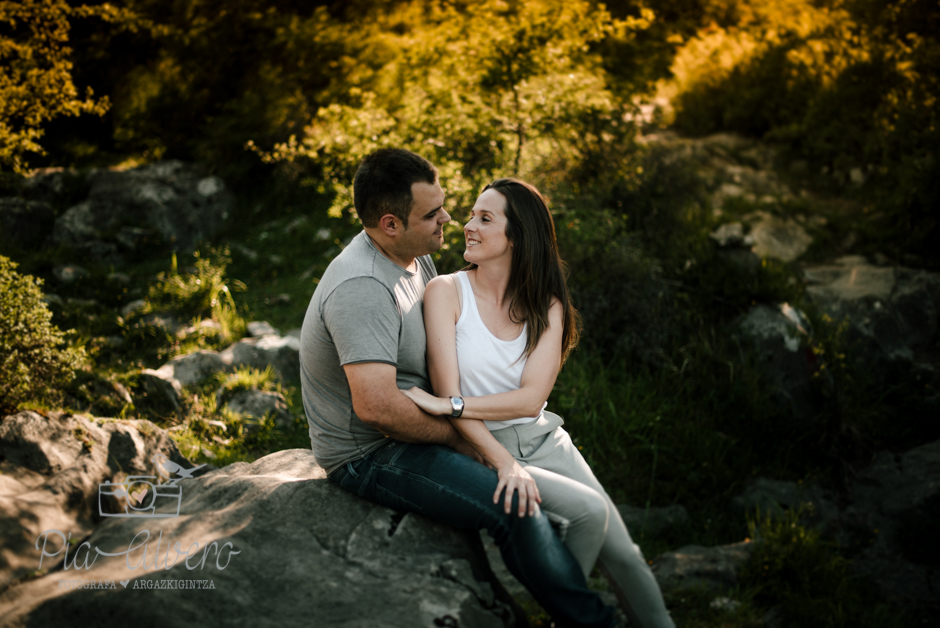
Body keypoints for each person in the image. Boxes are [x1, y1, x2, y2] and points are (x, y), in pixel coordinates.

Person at [299, 148, 620, 628]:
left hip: (425, 423)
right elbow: (377, 409)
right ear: (390, 224)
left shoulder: (414, 258)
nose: (448, 219)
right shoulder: (362, 287)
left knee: (562, 503)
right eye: (433, 214)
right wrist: (468, 444)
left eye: (444, 205)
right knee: (516, 507)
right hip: (371, 453)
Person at [401, 178, 675, 628]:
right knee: (588, 514)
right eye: (471, 215)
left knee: (624, 554)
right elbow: (451, 391)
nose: (468, 225)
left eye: (485, 218)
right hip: (481, 441)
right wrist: (491, 448)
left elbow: (530, 400)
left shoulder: (547, 304)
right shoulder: (446, 291)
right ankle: (570, 614)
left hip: (544, 439)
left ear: (517, 235)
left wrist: (452, 406)